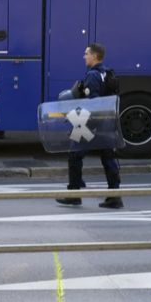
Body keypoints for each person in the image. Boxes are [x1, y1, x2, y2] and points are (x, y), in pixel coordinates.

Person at [56, 43, 124, 209]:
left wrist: (77, 119)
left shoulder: (92, 76)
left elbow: (93, 104)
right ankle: (115, 196)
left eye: (86, 53)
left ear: (94, 56)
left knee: (74, 154)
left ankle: (74, 194)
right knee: (108, 158)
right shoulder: (108, 72)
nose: (84, 56)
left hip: (91, 123)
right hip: (107, 122)